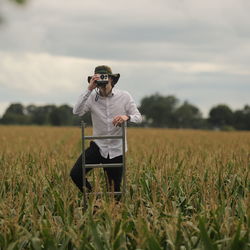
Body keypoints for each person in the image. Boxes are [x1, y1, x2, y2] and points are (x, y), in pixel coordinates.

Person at [70, 65, 142, 195]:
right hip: (98, 146)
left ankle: (112, 212)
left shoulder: (124, 96)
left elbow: (138, 117)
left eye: (105, 77)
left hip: (116, 148)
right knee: (75, 174)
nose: (102, 81)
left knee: (114, 191)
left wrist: (126, 117)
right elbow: (77, 111)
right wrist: (89, 89)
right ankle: (94, 200)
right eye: (98, 78)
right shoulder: (91, 97)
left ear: (112, 80)